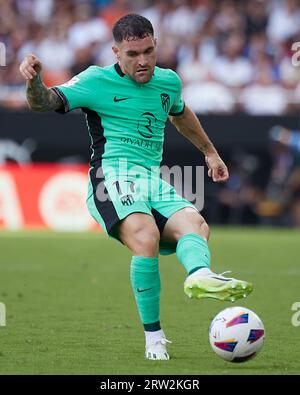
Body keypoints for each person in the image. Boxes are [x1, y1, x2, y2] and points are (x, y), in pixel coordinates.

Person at [19, 14, 253, 361]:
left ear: (156, 45)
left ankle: (200, 276)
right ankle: (154, 339)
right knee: (146, 237)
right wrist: (34, 82)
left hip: (150, 179)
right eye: (132, 54)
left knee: (196, 224)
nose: (142, 61)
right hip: (109, 176)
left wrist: (210, 152)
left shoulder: (168, 81)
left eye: (148, 51)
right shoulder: (95, 81)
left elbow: (180, 112)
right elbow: (43, 102)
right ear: (116, 52)